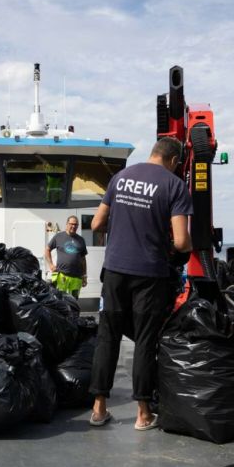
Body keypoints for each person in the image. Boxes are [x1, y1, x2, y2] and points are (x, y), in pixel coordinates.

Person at [88, 137, 192, 431]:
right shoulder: (174, 185)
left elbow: (96, 225)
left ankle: (98, 409)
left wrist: (122, 224)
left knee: (108, 338)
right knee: (145, 340)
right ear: (173, 161)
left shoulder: (120, 178)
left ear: (153, 153)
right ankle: (143, 414)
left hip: (114, 271)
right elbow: (182, 241)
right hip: (149, 274)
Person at [44, 216, 88, 298]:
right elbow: (47, 250)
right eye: (72, 224)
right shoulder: (58, 237)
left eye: (76, 225)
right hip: (62, 276)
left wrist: (84, 275)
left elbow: (83, 259)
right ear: (67, 224)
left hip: (77, 278)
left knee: (74, 301)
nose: (74, 226)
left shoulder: (81, 240)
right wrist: (51, 265)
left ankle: (72, 311)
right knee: (60, 300)